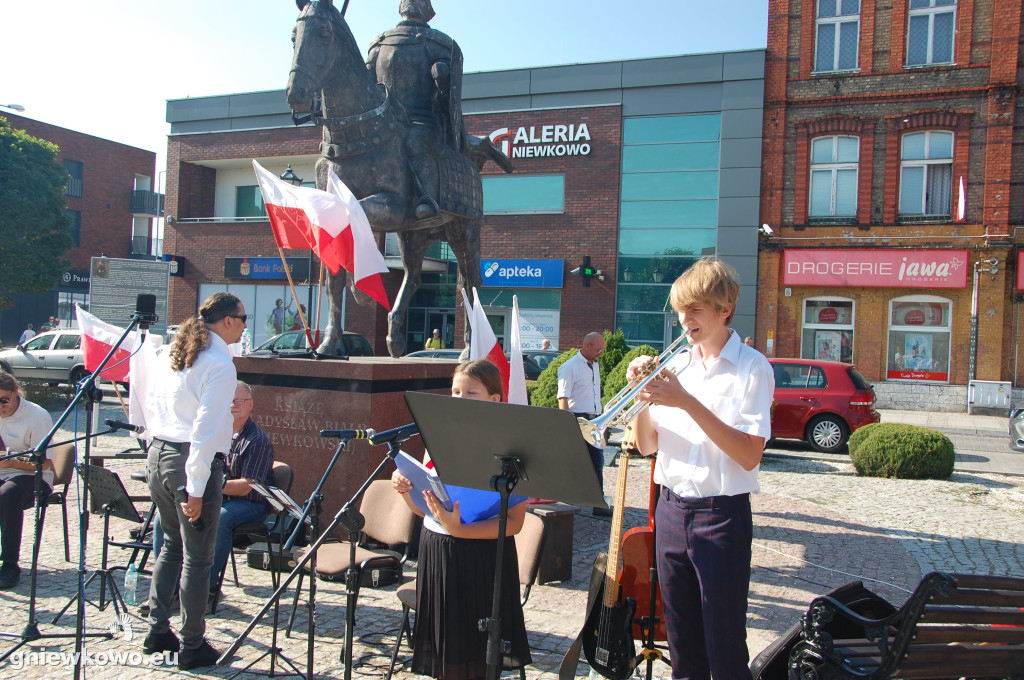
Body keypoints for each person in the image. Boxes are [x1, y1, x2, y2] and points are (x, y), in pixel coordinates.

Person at [628, 257, 773, 680]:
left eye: (694, 310)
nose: (683, 320)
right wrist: (643, 396)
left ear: (724, 308)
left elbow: (749, 454)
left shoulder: (752, 368)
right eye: (679, 310)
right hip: (671, 510)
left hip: (720, 515)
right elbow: (647, 445)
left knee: (724, 645)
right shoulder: (677, 367)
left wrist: (686, 401)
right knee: (681, 642)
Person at [391, 360, 531, 680]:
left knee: (476, 654)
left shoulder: (511, 446)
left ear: (494, 399)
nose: (459, 398)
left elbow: (515, 522)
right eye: (455, 391)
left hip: (481, 557)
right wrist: (404, 490)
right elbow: (424, 508)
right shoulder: (436, 437)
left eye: (471, 392)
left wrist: (461, 529)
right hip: (438, 550)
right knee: (447, 652)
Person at [131, 292, 246, 670]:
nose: (245, 326)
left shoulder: (174, 351)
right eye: (243, 319)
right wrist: (195, 488)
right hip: (187, 460)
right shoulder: (218, 363)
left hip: (159, 452)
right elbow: (203, 430)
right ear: (227, 320)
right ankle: (193, 644)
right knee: (197, 557)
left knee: (169, 546)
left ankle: (158, 629)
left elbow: (151, 402)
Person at [367, 0, 470, 221]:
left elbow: (448, 100)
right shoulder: (379, 44)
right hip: (386, 122)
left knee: (415, 142)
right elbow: (367, 86)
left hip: (422, 121)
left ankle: (427, 198)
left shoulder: (438, 44)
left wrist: (443, 81)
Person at [0, 374, 54, 589]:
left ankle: (10, 564)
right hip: (3, 471)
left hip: (34, 476)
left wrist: (7, 464)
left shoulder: (37, 417)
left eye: (4, 400)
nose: (1, 406)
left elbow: (46, 463)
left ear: (16, 393)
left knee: (6, 496)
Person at [557, 332, 610, 516]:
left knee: (597, 462)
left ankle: (598, 502)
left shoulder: (594, 365)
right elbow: (563, 397)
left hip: (594, 419)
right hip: (577, 419)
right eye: (598, 349)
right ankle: (565, 498)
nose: (601, 353)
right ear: (587, 346)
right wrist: (566, 425)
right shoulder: (570, 367)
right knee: (574, 462)